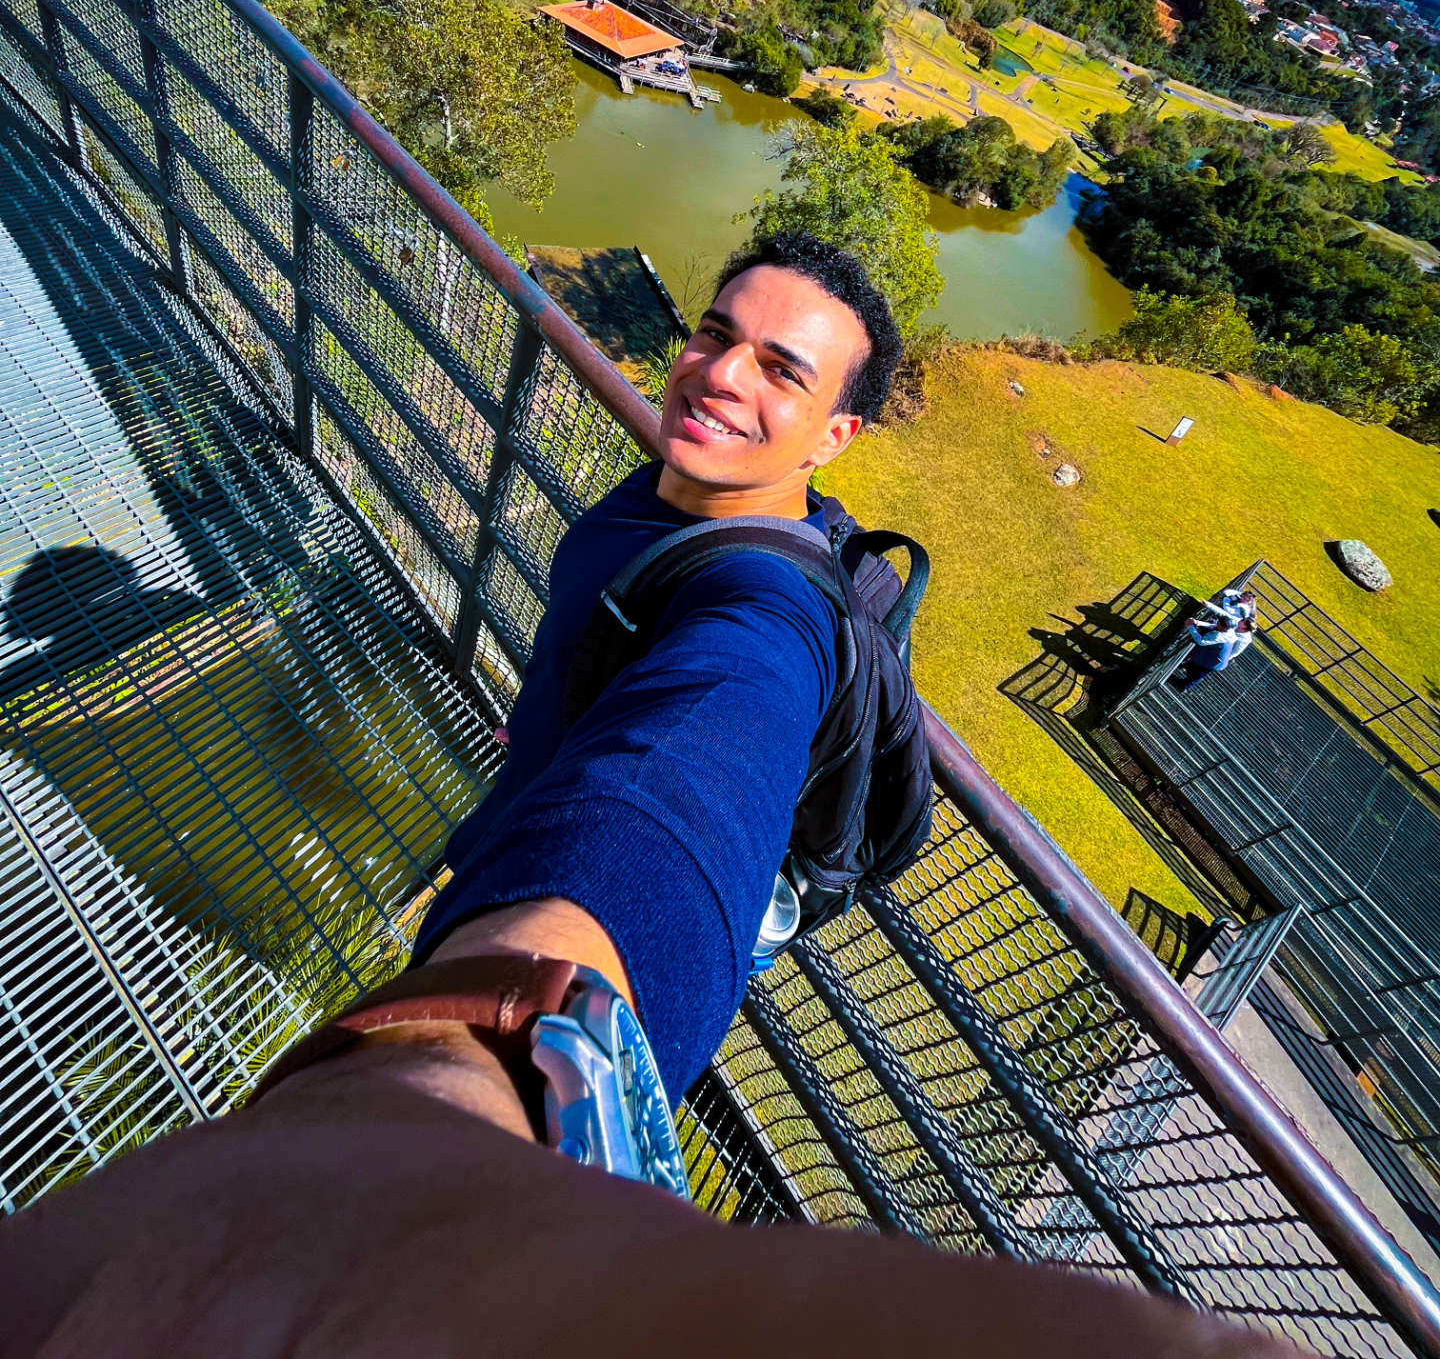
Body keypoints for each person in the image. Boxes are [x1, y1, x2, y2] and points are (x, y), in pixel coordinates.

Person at [0, 232, 1294, 1358]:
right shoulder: (674, 490)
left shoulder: (766, 608)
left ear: (839, 435)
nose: (722, 374)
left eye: (781, 370)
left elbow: (684, 782)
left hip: (572, 935)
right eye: (717, 334)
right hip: (533, 797)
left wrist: (467, 1082)